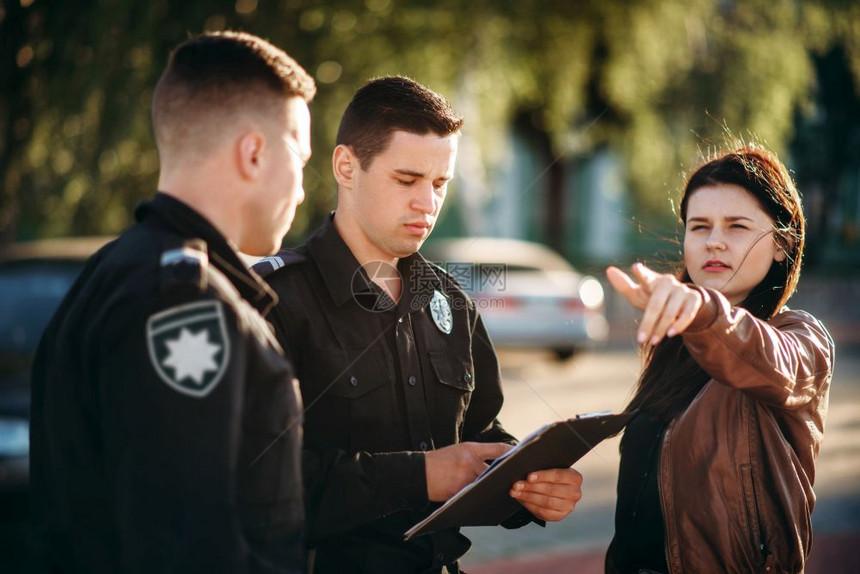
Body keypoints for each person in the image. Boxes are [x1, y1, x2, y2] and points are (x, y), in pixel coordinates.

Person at [252, 76, 583, 573]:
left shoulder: (448, 298)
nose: (427, 205)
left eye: (440, 184)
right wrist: (420, 475)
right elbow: (258, 482)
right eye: (407, 181)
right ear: (346, 167)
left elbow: (477, 431)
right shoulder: (274, 301)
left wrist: (529, 483)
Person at [29, 31, 315, 573]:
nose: (302, 190)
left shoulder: (112, 271)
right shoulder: (184, 302)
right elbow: (188, 550)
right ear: (253, 153)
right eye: (299, 157)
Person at [604, 145, 835, 573]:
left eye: (737, 226)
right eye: (700, 226)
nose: (714, 241)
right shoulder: (675, 343)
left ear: (782, 244)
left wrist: (701, 311)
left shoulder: (801, 339)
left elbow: (772, 359)